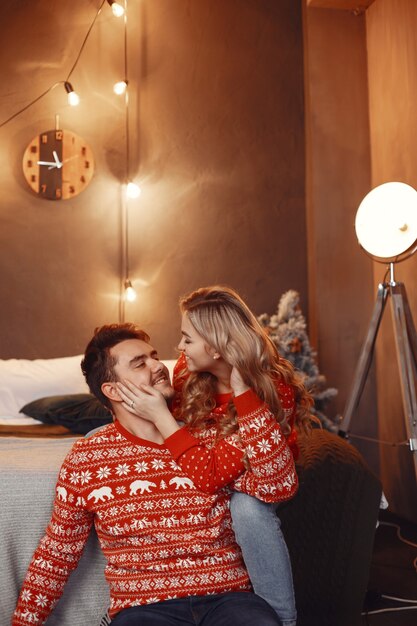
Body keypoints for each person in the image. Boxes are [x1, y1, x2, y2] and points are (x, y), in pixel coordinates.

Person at [13, 322, 296, 626]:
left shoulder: (211, 434)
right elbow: (58, 552)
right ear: (112, 390)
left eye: (154, 356)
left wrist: (243, 390)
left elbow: (274, 487)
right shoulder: (87, 459)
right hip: (146, 609)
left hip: (228, 600)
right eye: (140, 363)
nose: (159, 365)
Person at [116, 285, 313, 626]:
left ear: (218, 345)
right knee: (96, 436)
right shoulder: (187, 370)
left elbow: (212, 477)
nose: (179, 348)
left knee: (246, 507)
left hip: (260, 477)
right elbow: (171, 425)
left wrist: (241, 393)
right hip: (212, 456)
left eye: (187, 339)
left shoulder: (271, 387)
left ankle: (282, 618)